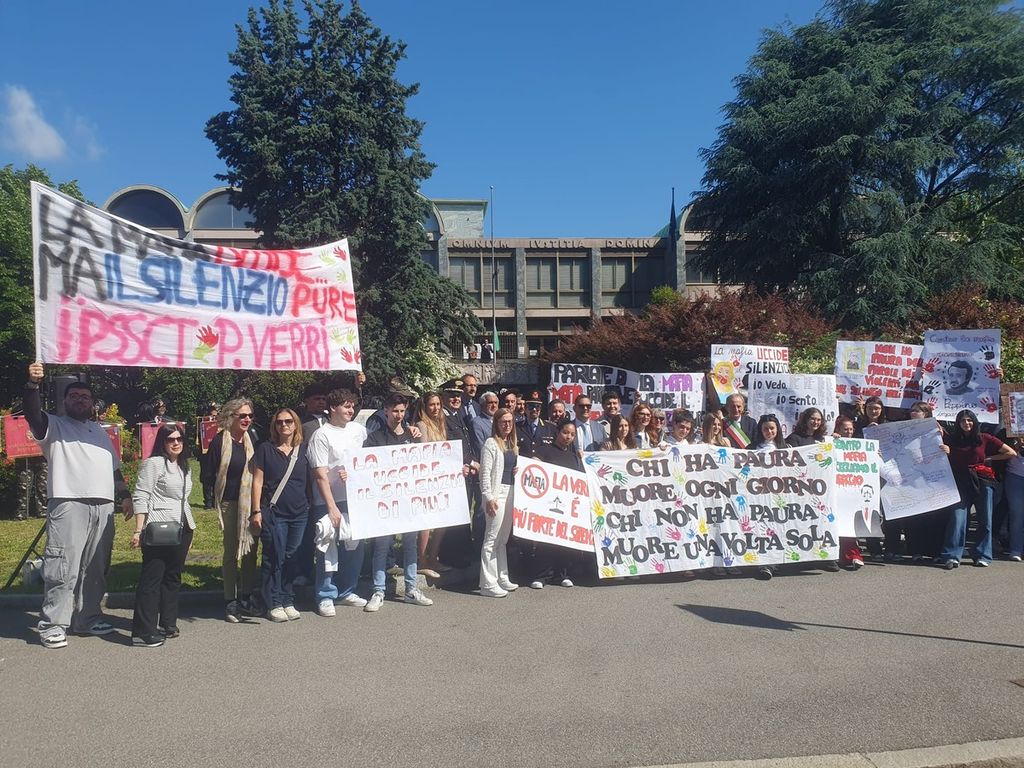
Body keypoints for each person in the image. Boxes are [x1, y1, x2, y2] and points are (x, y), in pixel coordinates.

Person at [24, 363, 132, 649]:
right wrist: (32, 386)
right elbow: (32, 413)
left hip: (104, 505)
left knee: (96, 568)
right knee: (63, 566)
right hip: (69, 501)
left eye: (85, 397)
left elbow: (114, 468)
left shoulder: (99, 431)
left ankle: (87, 618)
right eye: (74, 396)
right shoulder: (53, 425)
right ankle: (52, 625)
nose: (80, 400)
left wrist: (125, 494)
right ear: (65, 401)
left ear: (92, 403)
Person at [362, 394, 435, 612]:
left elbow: (424, 464)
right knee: (382, 546)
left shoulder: (413, 436)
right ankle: (378, 591)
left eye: (402, 411)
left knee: (410, 544)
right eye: (395, 411)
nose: (399, 415)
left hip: (409, 502)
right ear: (386, 410)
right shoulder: (375, 438)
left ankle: (411, 589)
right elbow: (364, 469)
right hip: (385, 504)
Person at [129, 423, 196, 647]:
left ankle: (168, 623)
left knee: (173, 577)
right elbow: (141, 495)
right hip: (159, 528)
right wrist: (138, 529)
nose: (176, 443)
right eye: (170, 439)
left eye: (179, 439)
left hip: (182, 527)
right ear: (162, 442)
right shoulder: (154, 463)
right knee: (152, 579)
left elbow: (183, 500)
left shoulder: (184, 466)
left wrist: (191, 529)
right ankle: (142, 632)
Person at [308, 388, 369, 615]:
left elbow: (372, 458)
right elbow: (320, 475)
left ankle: (347, 590)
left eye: (352, 406)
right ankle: (325, 595)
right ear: (333, 408)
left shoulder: (358, 430)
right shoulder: (321, 435)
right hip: (329, 500)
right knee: (327, 545)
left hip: (355, 498)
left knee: (354, 545)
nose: (351, 410)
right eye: (346, 406)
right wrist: (331, 506)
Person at [202, 397, 260, 623]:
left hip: (250, 503)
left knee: (250, 550)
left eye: (249, 416)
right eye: (242, 416)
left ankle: (247, 596)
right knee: (231, 551)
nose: (247, 419)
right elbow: (207, 474)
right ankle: (230, 600)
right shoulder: (220, 442)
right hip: (229, 502)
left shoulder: (252, 438)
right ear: (230, 417)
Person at [938, 410, 1017, 569]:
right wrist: (946, 448)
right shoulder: (952, 439)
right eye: (962, 421)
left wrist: (989, 458)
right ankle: (952, 555)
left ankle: (983, 555)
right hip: (960, 482)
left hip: (982, 481)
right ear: (958, 423)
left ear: (974, 421)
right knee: (958, 518)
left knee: (985, 520)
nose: (966, 423)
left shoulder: (985, 438)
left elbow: (1011, 452)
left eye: (969, 420)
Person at [252, 408, 309, 622]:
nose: (284, 425)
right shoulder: (266, 449)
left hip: (299, 513)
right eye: (279, 422)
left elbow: (316, 475)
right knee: (274, 556)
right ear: (274, 426)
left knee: (292, 557)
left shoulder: (303, 450)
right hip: (275, 512)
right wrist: (256, 511)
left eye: (288, 421)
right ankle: (273, 602)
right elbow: (257, 481)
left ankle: (287, 598)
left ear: (296, 424)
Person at [532, 420, 584, 589]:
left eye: (572, 434)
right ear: (557, 432)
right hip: (547, 504)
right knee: (546, 540)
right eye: (565, 432)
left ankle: (562, 574)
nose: (568, 437)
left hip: (567, 506)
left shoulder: (574, 457)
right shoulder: (544, 451)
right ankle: (542, 576)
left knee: (565, 540)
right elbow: (532, 468)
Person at [479, 408, 520, 597]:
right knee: (491, 539)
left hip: (511, 492)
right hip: (497, 494)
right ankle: (488, 583)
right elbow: (485, 473)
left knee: (503, 539)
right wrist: (488, 497)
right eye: (503, 421)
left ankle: (502, 576)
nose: (507, 425)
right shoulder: (491, 444)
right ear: (496, 423)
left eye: (510, 421)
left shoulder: (512, 445)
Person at [833, 416, 866, 568]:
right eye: (845, 429)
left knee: (849, 523)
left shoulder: (860, 445)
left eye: (851, 429)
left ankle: (853, 554)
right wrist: (831, 441)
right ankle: (840, 555)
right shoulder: (831, 442)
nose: (849, 432)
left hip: (853, 491)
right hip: (835, 490)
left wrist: (875, 455)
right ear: (838, 429)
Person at [518, 390, 551, 458]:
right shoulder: (517, 427)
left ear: (541, 409)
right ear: (525, 408)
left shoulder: (550, 428)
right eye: (531, 406)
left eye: (537, 407)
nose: (534, 409)